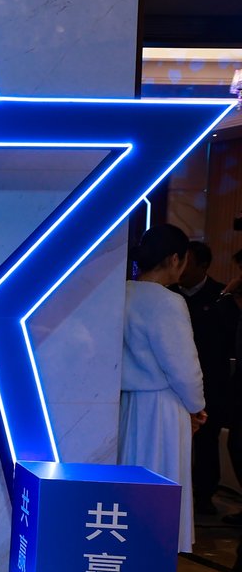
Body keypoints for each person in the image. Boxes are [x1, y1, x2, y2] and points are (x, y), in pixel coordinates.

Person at [119, 224, 205, 554]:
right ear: (174, 259)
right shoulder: (169, 302)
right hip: (163, 409)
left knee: (128, 488)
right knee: (160, 489)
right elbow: (184, 368)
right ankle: (154, 555)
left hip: (126, 406)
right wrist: (197, 406)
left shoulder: (122, 293)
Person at [172, 241, 235, 515]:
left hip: (211, 383)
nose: (181, 267)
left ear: (203, 265)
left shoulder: (221, 296)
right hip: (174, 383)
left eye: (187, 261)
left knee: (207, 441)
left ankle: (205, 496)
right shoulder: (170, 294)